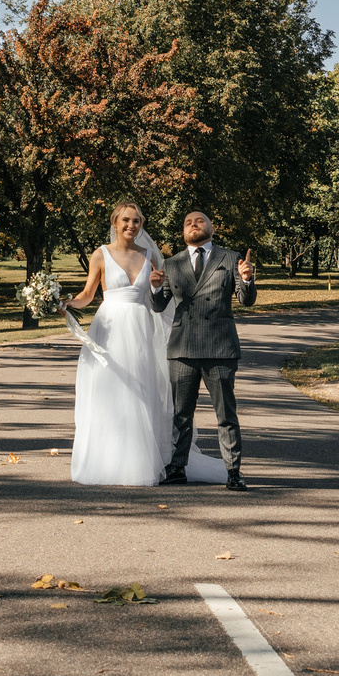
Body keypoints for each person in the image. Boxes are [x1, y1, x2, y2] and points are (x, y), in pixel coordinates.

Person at [64, 203, 227, 486]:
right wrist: (67, 304)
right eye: (126, 220)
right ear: (115, 222)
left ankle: (144, 461)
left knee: (143, 390)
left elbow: (162, 293)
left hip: (141, 328)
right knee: (110, 391)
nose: (132, 225)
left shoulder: (150, 254)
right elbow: (88, 294)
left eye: (137, 221)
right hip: (110, 329)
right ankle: (109, 460)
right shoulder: (100, 255)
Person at [150, 210, 257, 490]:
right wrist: (155, 288)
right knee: (181, 415)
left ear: (212, 227)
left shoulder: (231, 258)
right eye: (187, 222)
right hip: (183, 349)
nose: (193, 224)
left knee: (226, 414)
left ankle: (233, 471)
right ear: (183, 233)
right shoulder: (171, 264)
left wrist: (246, 279)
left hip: (220, 348)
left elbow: (246, 300)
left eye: (199, 221)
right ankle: (177, 467)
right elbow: (159, 306)